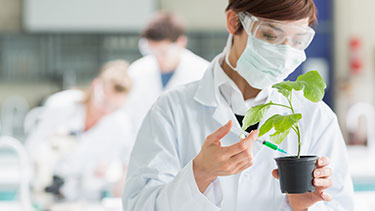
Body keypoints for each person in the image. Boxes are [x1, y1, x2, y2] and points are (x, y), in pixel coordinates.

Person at [123, 0, 355, 210]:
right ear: (234, 22)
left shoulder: (316, 117)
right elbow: (139, 206)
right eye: (270, 36)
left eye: (296, 41)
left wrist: (303, 207)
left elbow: (341, 205)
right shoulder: (171, 110)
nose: (284, 53)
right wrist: (199, 174)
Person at [26, 60, 133, 200]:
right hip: (45, 193)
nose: (107, 111)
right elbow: (32, 147)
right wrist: (50, 151)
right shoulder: (61, 106)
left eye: (115, 108)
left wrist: (117, 178)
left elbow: (128, 162)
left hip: (88, 198)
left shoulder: (120, 123)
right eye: (105, 102)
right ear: (96, 86)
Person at [124, 12, 209, 137]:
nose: (158, 58)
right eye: (152, 51)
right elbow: (127, 118)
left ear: (181, 42)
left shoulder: (202, 73)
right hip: (143, 147)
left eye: (163, 52)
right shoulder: (136, 72)